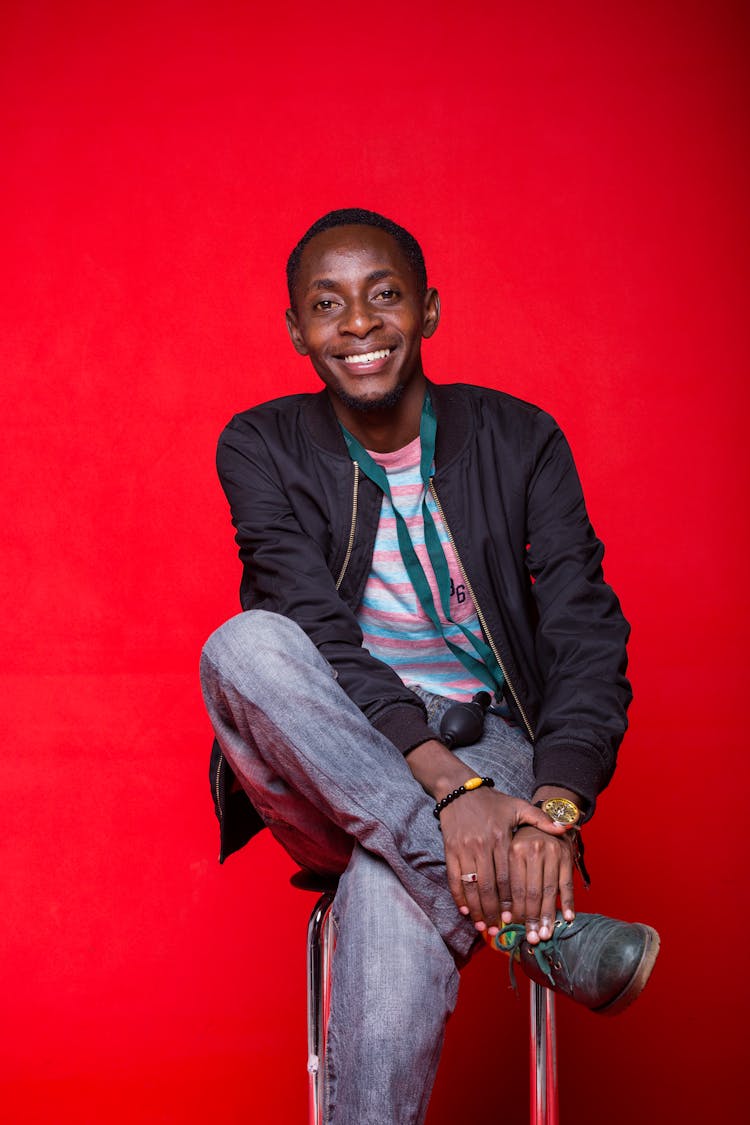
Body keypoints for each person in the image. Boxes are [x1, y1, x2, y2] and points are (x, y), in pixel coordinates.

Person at [200, 208, 659, 1123]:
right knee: (243, 644)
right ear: (297, 330)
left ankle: (459, 868)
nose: (358, 325)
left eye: (384, 296)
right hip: (333, 754)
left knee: (387, 883)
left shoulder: (520, 437)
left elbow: (585, 635)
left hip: (496, 748)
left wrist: (557, 807)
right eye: (328, 305)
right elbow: (317, 639)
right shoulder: (259, 443)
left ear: (430, 309)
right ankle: (534, 928)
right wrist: (453, 794)